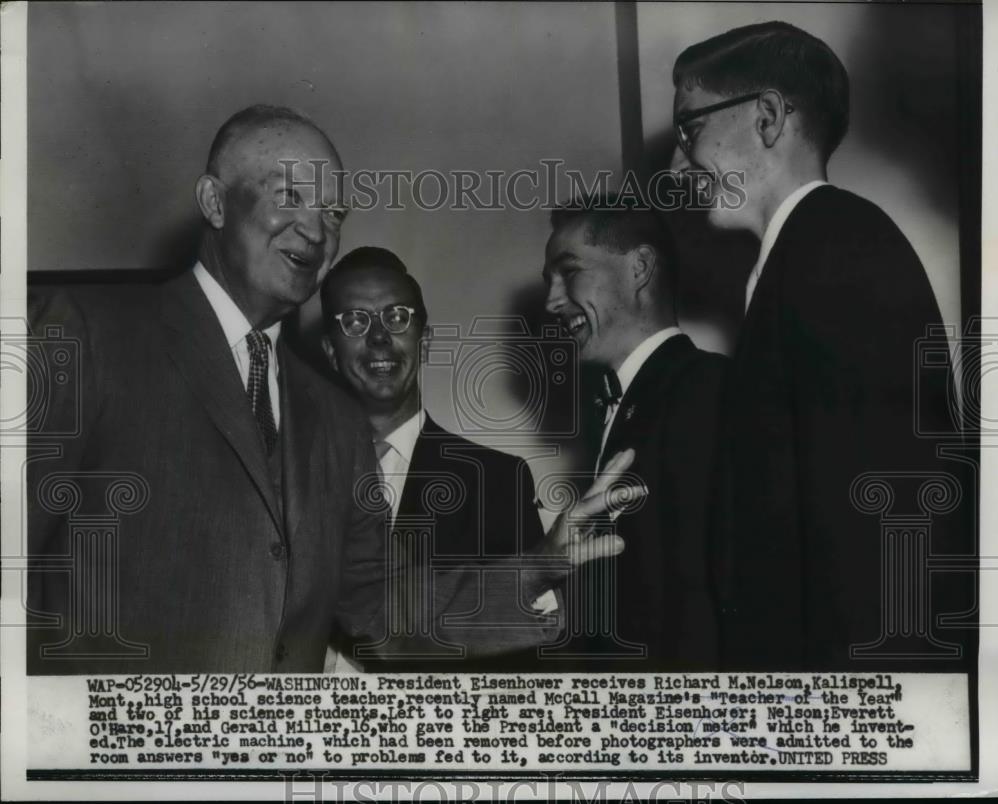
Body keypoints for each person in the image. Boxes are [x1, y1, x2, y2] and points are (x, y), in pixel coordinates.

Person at [26, 105, 638, 675]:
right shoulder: (87, 336)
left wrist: (540, 567)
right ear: (214, 201)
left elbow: (376, 607)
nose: (315, 230)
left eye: (334, 212)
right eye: (290, 196)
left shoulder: (333, 415)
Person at [670, 22, 974, 670]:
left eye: (690, 130)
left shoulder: (836, 252)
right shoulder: (814, 249)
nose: (677, 166)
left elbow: (878, 520)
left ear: (769, 117)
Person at [319, 246, 551, 670]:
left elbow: (522, 660)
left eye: (398, 317)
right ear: (330, 351)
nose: (378, 336)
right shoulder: (291, 472)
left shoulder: (496, 482)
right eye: (354, 320)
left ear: (425, 342)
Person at [542, 195, 727, 670]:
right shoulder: (633, 400)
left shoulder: (705, 390)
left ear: (640, 267)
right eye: (550, 281)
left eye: (569, 272)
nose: (552, 301)